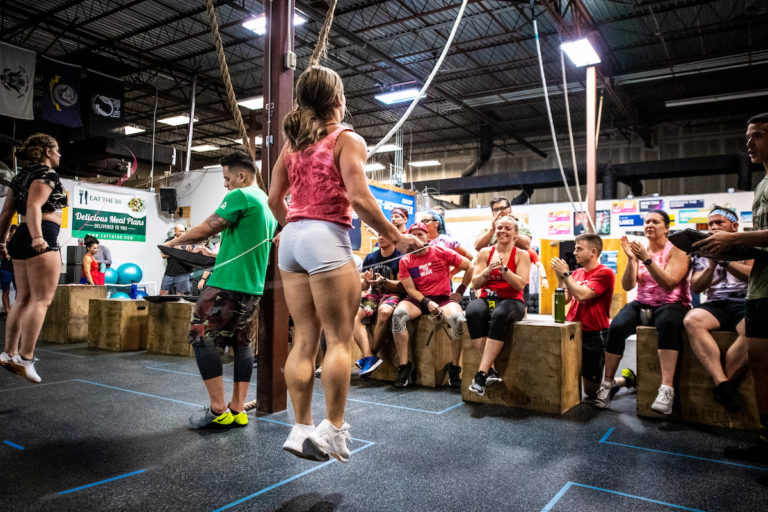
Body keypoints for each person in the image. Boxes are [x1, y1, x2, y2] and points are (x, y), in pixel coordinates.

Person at [268, 60, 420, 463]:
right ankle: (332, 430)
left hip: (292, 241)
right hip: (325, 237)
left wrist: (292, 224)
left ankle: (300, 428)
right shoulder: (346, 138)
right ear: (338, 99)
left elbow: (273, 201)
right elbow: (360, 199)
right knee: (337, 339)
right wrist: (396, 237)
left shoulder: (291, 146)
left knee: (303, 340)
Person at [165, 151, 276, 429]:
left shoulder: (241, 196)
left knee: (199, 335)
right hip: (252, 286)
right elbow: (245, 245)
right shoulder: (267, 202)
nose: (225, 184)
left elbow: (206, 228)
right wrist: (212, 255)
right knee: (241, 342)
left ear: (241, 175)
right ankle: (238, 409)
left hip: (227, 283)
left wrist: (173, 244)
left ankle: (218, 410)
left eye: (227, 178)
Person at [694, 113, 768, 469]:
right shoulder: (760, 186)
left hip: (755, 293)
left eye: (756, 136)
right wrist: (716, 256)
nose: (748, 143)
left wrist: (735, 242)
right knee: (760, 366)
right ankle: (764, 439)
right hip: (758, 292)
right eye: (747, 137)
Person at [597, 210, 690, 413]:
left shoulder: (677, 250)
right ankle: (608, 383)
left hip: (672, 303)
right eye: (647, 221)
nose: (650, 224)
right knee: (617, 326)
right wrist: (632, 260)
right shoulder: (640, 251)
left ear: (666, 227)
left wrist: (647, 259)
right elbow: (628, 285)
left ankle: (667, 389)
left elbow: (669, 283)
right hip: (643, 302)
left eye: (655, 222)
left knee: (667, 323)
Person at [0, 133, 68, 383]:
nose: (60, 155)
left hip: (19, 240)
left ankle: (9, 353)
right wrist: (39, 237)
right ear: (48, 151)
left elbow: (7, 211)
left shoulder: (19, 177)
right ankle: (26, 358)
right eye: (57, 150)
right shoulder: (47, 174)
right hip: (41, 235)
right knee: (41, 300)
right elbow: (34, 205)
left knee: (23, 298)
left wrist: (1, 241)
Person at [684, 206, 752, 412]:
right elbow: (696, 286)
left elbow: (750, 275)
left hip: (745, 301)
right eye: (710, 223)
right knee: (691, 320)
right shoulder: (702, 252)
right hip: (716, 303)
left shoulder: (747, 246)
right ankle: (722, 382)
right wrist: (711, 265)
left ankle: (725, 384)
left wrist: (726, 261)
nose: (713, 227)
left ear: (734, 226)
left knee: (755, 327)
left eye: (719, 223)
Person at [391, 222, 473, 389]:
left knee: (458, 320)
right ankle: (405, 366)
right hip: (417, 300)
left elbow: (469, 266)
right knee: (398, 316)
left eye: (420, 234)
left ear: (428, 237)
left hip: (443, 299)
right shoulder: (405, 260)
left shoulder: (441, 252)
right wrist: (427, 302)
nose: (416, 238)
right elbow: (409, 289)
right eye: (412, 235)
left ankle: (454, 367)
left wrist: (460, 290)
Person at [551, 234, 629, 401]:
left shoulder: (605, 273)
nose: (575, 252)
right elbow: (565, 299)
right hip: (573, 330)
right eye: (574, 248)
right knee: (566, 374)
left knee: (591, 392)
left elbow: (582, 295)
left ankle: (625, 380)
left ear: (593, 252)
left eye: (579, 249)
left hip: (594, 333)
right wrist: (560, 280)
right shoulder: (577, 273)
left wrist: (565, 276)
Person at [465, 216, 529, 396]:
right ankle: (490, 371)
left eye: (508, 228)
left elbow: (520, 285)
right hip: (488, 298)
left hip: (513, 301)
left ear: (515, 234)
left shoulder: (522, 255)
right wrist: (488, 271)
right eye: (499, 227)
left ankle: (481, 374)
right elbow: (476, 284)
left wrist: (504, 270)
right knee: (473, 310)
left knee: (500, 314)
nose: (503, 231)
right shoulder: (485, 253)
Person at [353, 233, 404, 377]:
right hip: (373, 295)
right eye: (379, 235)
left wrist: (384, 282)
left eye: (384, 235)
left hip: (392, 294)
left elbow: (402, 286)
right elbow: (363, 286)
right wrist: (366, 281)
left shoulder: (401, 257)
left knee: (385, 311)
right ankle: (368, 355)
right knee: (354, 315)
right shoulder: (371, 257)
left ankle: (370, 356)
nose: (381, 238)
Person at [160, 224, 193, 295]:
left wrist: (172, 251)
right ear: (175, 232)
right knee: (163, 292)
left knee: (181, 295)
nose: (182, 233)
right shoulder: (169, 241)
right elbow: (163, 255)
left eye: (183, 231)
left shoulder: (188, 242)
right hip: (169, 272)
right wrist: (175, 251)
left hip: (183, 272)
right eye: (180, 231)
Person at [0, 225, 17, 318]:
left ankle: (17, 311)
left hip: (17, 270)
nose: (14, 235)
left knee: (20, 292)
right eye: (13, 233)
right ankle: (8, 312)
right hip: (5, 270)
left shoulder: (18, 244)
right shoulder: (4, 243)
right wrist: (4, 253)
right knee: (5, 291)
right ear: (10, 232)